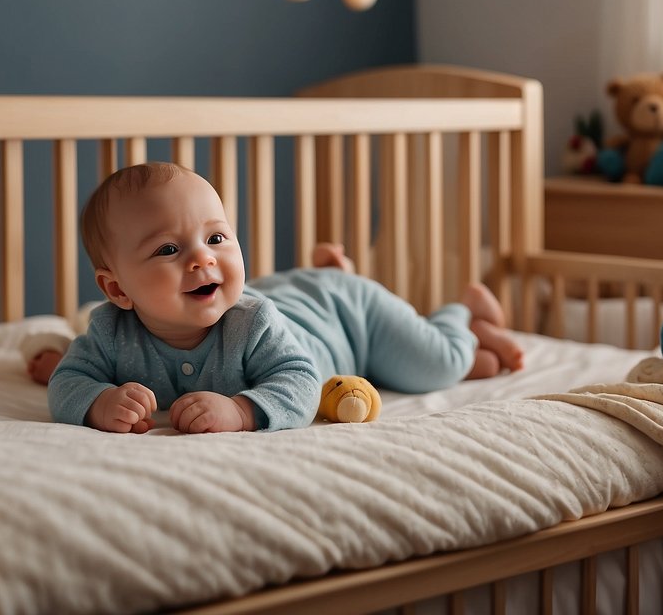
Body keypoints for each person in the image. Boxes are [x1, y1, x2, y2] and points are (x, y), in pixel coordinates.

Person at [40, 162, 523, 434]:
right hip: (305, 294)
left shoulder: (252, 321)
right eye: (169, 249)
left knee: (436, 366)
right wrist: (99, 402)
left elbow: (301, 380)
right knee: (473, 367)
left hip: (344, 311)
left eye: (216, 239)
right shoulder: (108, 330)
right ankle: (481, 346)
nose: (202, 261)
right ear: (118, 289)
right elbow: (68, 381)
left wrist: (241, 411)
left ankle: (461, 315)